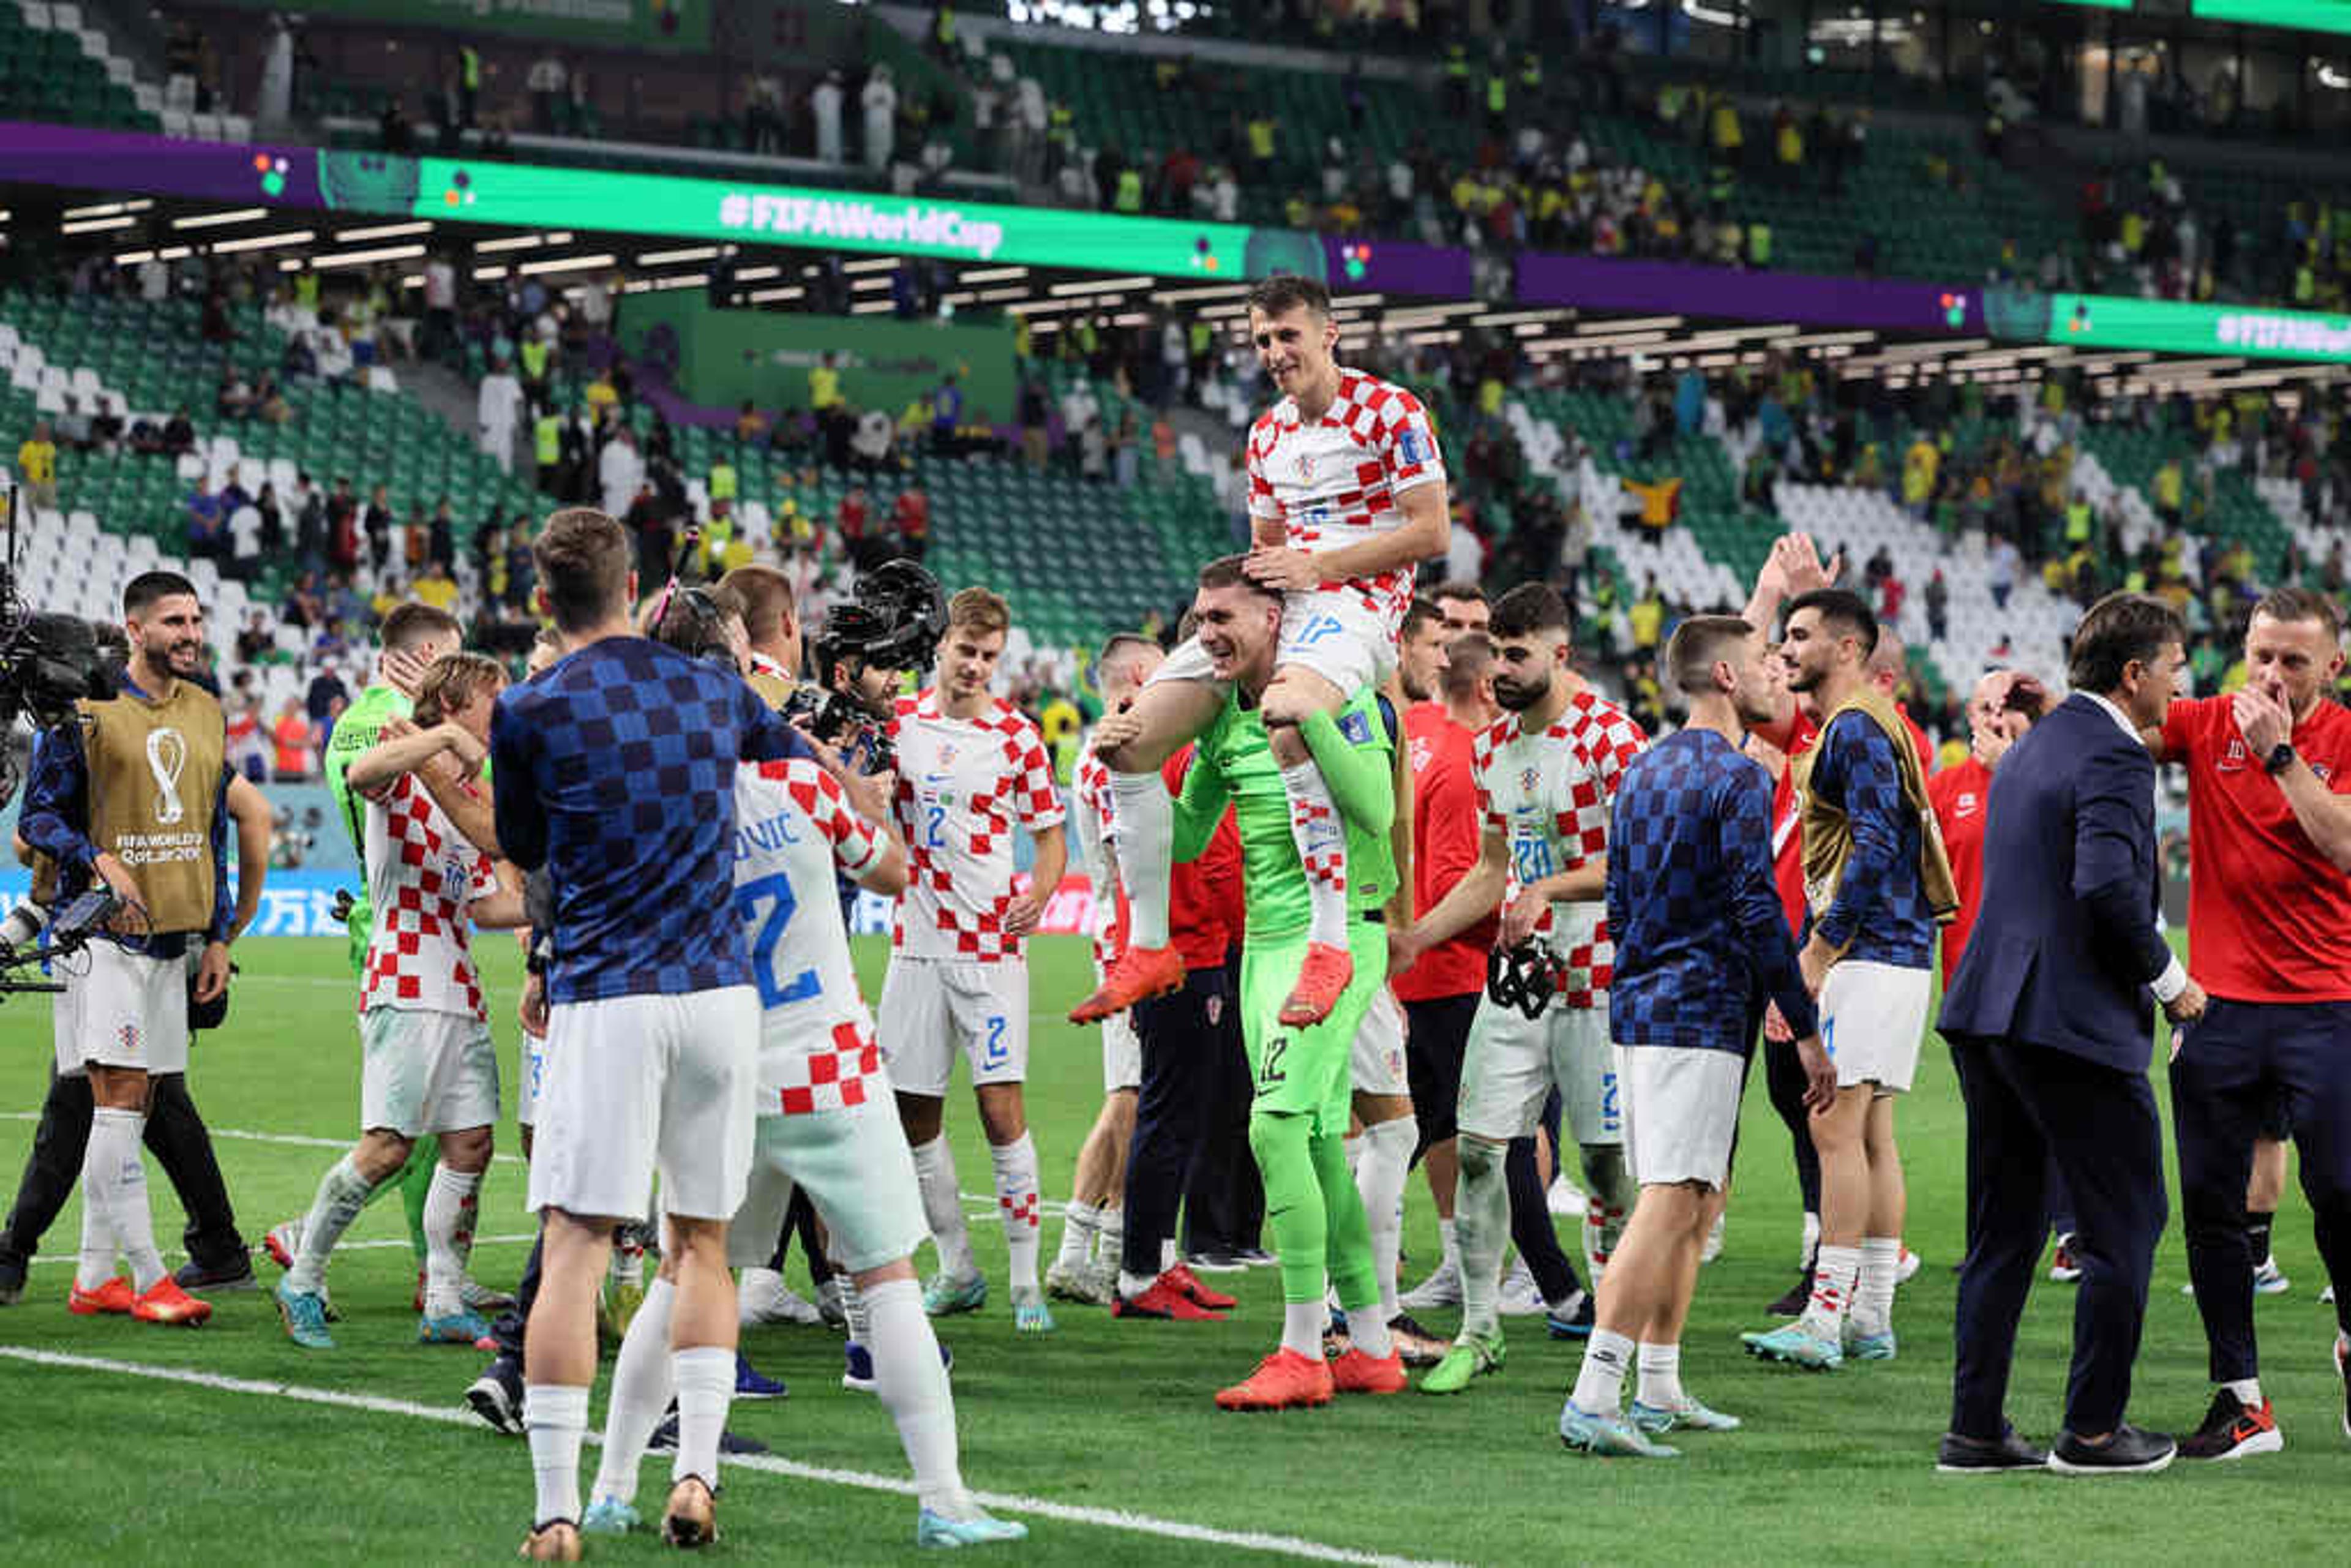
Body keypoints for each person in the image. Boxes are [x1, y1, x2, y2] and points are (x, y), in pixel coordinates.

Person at [584, 595, 1024, 1550]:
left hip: (716, 1067)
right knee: (888, 1278)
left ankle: (613, 1485)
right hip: (825, 1059)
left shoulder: (652, 797)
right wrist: (851, 794)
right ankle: (944, 1500)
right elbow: (893, 872)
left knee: (682, 1276)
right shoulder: (797, 779)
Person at [493, 508, 814, 1558]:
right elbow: (783, 736)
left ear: (546, 600)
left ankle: (554, 1509)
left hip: (608, 994)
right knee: (704, 1246)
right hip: (720, 995)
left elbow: (528, 846)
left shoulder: (530, 707)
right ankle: (695, 1476)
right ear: (633, 586)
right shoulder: (712, 687)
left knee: (578, 1245)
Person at [1078, 275, 1449, 1033]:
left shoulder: (1391, 411)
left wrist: (1323, 567)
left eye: (1287, 336)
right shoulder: (1267, 435)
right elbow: (1265, 553)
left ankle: (1329, 939)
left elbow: (1431, 531)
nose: (1275, 353)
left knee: (1287, 715)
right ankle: (1149, 945)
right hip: (1287, 604)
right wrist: (1224, 622)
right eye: (1262, 341)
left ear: (1328, 334)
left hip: (1357, 606)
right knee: (1128, 742)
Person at [1095, 557, 1402, 1409]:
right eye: (1198, 620)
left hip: (1338, 942)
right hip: (1263, 950)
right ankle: (1371, 1344)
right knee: (1308, 1145)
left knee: (1272, 1128)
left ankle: (1304, 1349)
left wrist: (1314, 724)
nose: (1206, 635)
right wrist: (1149, 757)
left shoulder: (1336, 695)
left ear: (1276, 621)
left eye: (1222, 617)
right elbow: (1191, 839)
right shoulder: (1225, 717)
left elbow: (1377, 810)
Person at [1938, 591, 2200, 1477]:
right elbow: (2107, 890)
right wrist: (2172, 984)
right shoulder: (2116, 759)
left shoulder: (2035, 746)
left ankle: (1975, 1430)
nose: (2179, 683)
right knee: (2127, 1220)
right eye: (2172, 667)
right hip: (2070, 1023)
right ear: (2135, 675)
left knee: (2004, 1229)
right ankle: (2092, 1432)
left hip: (1988, 1013)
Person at [1559, 616, 1833, 1457]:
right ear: (1724, 674)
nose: (1778, 672)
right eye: (1762, 662)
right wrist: (1806, 1024)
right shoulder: (1738, 778)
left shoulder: (1643, 770)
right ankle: (1596, 1393)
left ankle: (1660, 1383)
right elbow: (1758, 907)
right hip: (1700, 1009)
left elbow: (1624, 897)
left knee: (1696, 1196)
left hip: (1642, 1003)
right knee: (1674, 1196)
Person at [1392, 583, 1644, 1394]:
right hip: (1517, 980)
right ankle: (1479, 1330)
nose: (1498, 668)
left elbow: (1636, 864)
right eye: (1494, 652)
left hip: (1598, 976)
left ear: (1560, 655)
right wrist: (1419, 936)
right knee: (1477, 1150)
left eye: (1516, 654)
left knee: (1604, 1166)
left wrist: (1554, 888)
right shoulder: (1495, 746)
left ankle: (1616, 1336)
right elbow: (1493, 870)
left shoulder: (1612, 739)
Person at [2147, 585, 2351, 1458]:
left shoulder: (2339, 739)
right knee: (2211, 1206)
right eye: (2260, 654)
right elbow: (2122, 725)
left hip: (2327, 1005)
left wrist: (2279, 757)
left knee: (2341, 1191)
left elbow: (2342, 845)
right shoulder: (2204, 723)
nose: (2271, 674)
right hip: (2219, 1004)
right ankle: (2242, 1400)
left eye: (2293, 660)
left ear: (2332, 668)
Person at [273, 654, 523, 1350]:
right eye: (489, 701)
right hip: (404, 978)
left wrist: (556, 900)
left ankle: (444, 1298)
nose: (498, 715)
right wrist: (443, 740)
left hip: (459, 984)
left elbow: (486, 903)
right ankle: (303, 1278)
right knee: (387, 1147)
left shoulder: (461, 797)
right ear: (450, 702)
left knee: (470, 1143)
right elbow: (360, 776)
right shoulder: (400, 765)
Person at [1743, 587, 1954, 1370]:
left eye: (1800, 636)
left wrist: (1819, 951)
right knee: (1871, 1134)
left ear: (1849, 647)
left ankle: (1825, 1319)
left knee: (1834, 1129)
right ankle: (1870, 1314)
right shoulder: (1876, 724)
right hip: (1900, 954)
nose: (1787, 648)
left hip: (1864, 954)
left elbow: (1871, 845)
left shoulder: (1855, 727)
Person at [19, 571, 235, 1327]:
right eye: (174, 620)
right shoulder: (82, 714)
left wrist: (218, 934)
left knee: (136, 1100)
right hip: (100, 936)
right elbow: (37, 817)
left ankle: (92, 1276)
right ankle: (149, 1277)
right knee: (119, 1098)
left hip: (176, 939)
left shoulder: (209, 709)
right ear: (134, 627)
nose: (190, 633)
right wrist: (93, 856)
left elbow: (214, 830)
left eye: (196, 619)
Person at [880, 588, 1070, 1332]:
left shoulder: (1016, 736)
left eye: (989, 656)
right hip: (917, 946)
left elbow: (1050, 836)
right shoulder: (898, 724)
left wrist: (1045, 890)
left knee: (1001, 1111)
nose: (976, 666)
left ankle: (1026, 1281)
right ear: (942, 645)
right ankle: (957, 1266)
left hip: (992, 948)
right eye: (967, 651)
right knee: (912, 1114)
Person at [1050, 634, 1166, 1307]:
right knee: (1127, 1093)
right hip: (1127, 940)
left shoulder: (1115, 749)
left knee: (1141, 1093)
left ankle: (1118, 1249)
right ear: (1138, 678)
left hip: (1132, 936)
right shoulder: (1110, 756)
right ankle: (1075, 1250)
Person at [1394, 613, 1494, 1311]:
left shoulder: (1419, 736)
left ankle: (1461, 1259)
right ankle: (1505, 1267)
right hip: (1454, 968)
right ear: (1488, 683)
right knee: (1495, 1129)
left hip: (1413, 970)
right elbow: (1466, 877)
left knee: (1428, 1125)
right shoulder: (1464, 760)